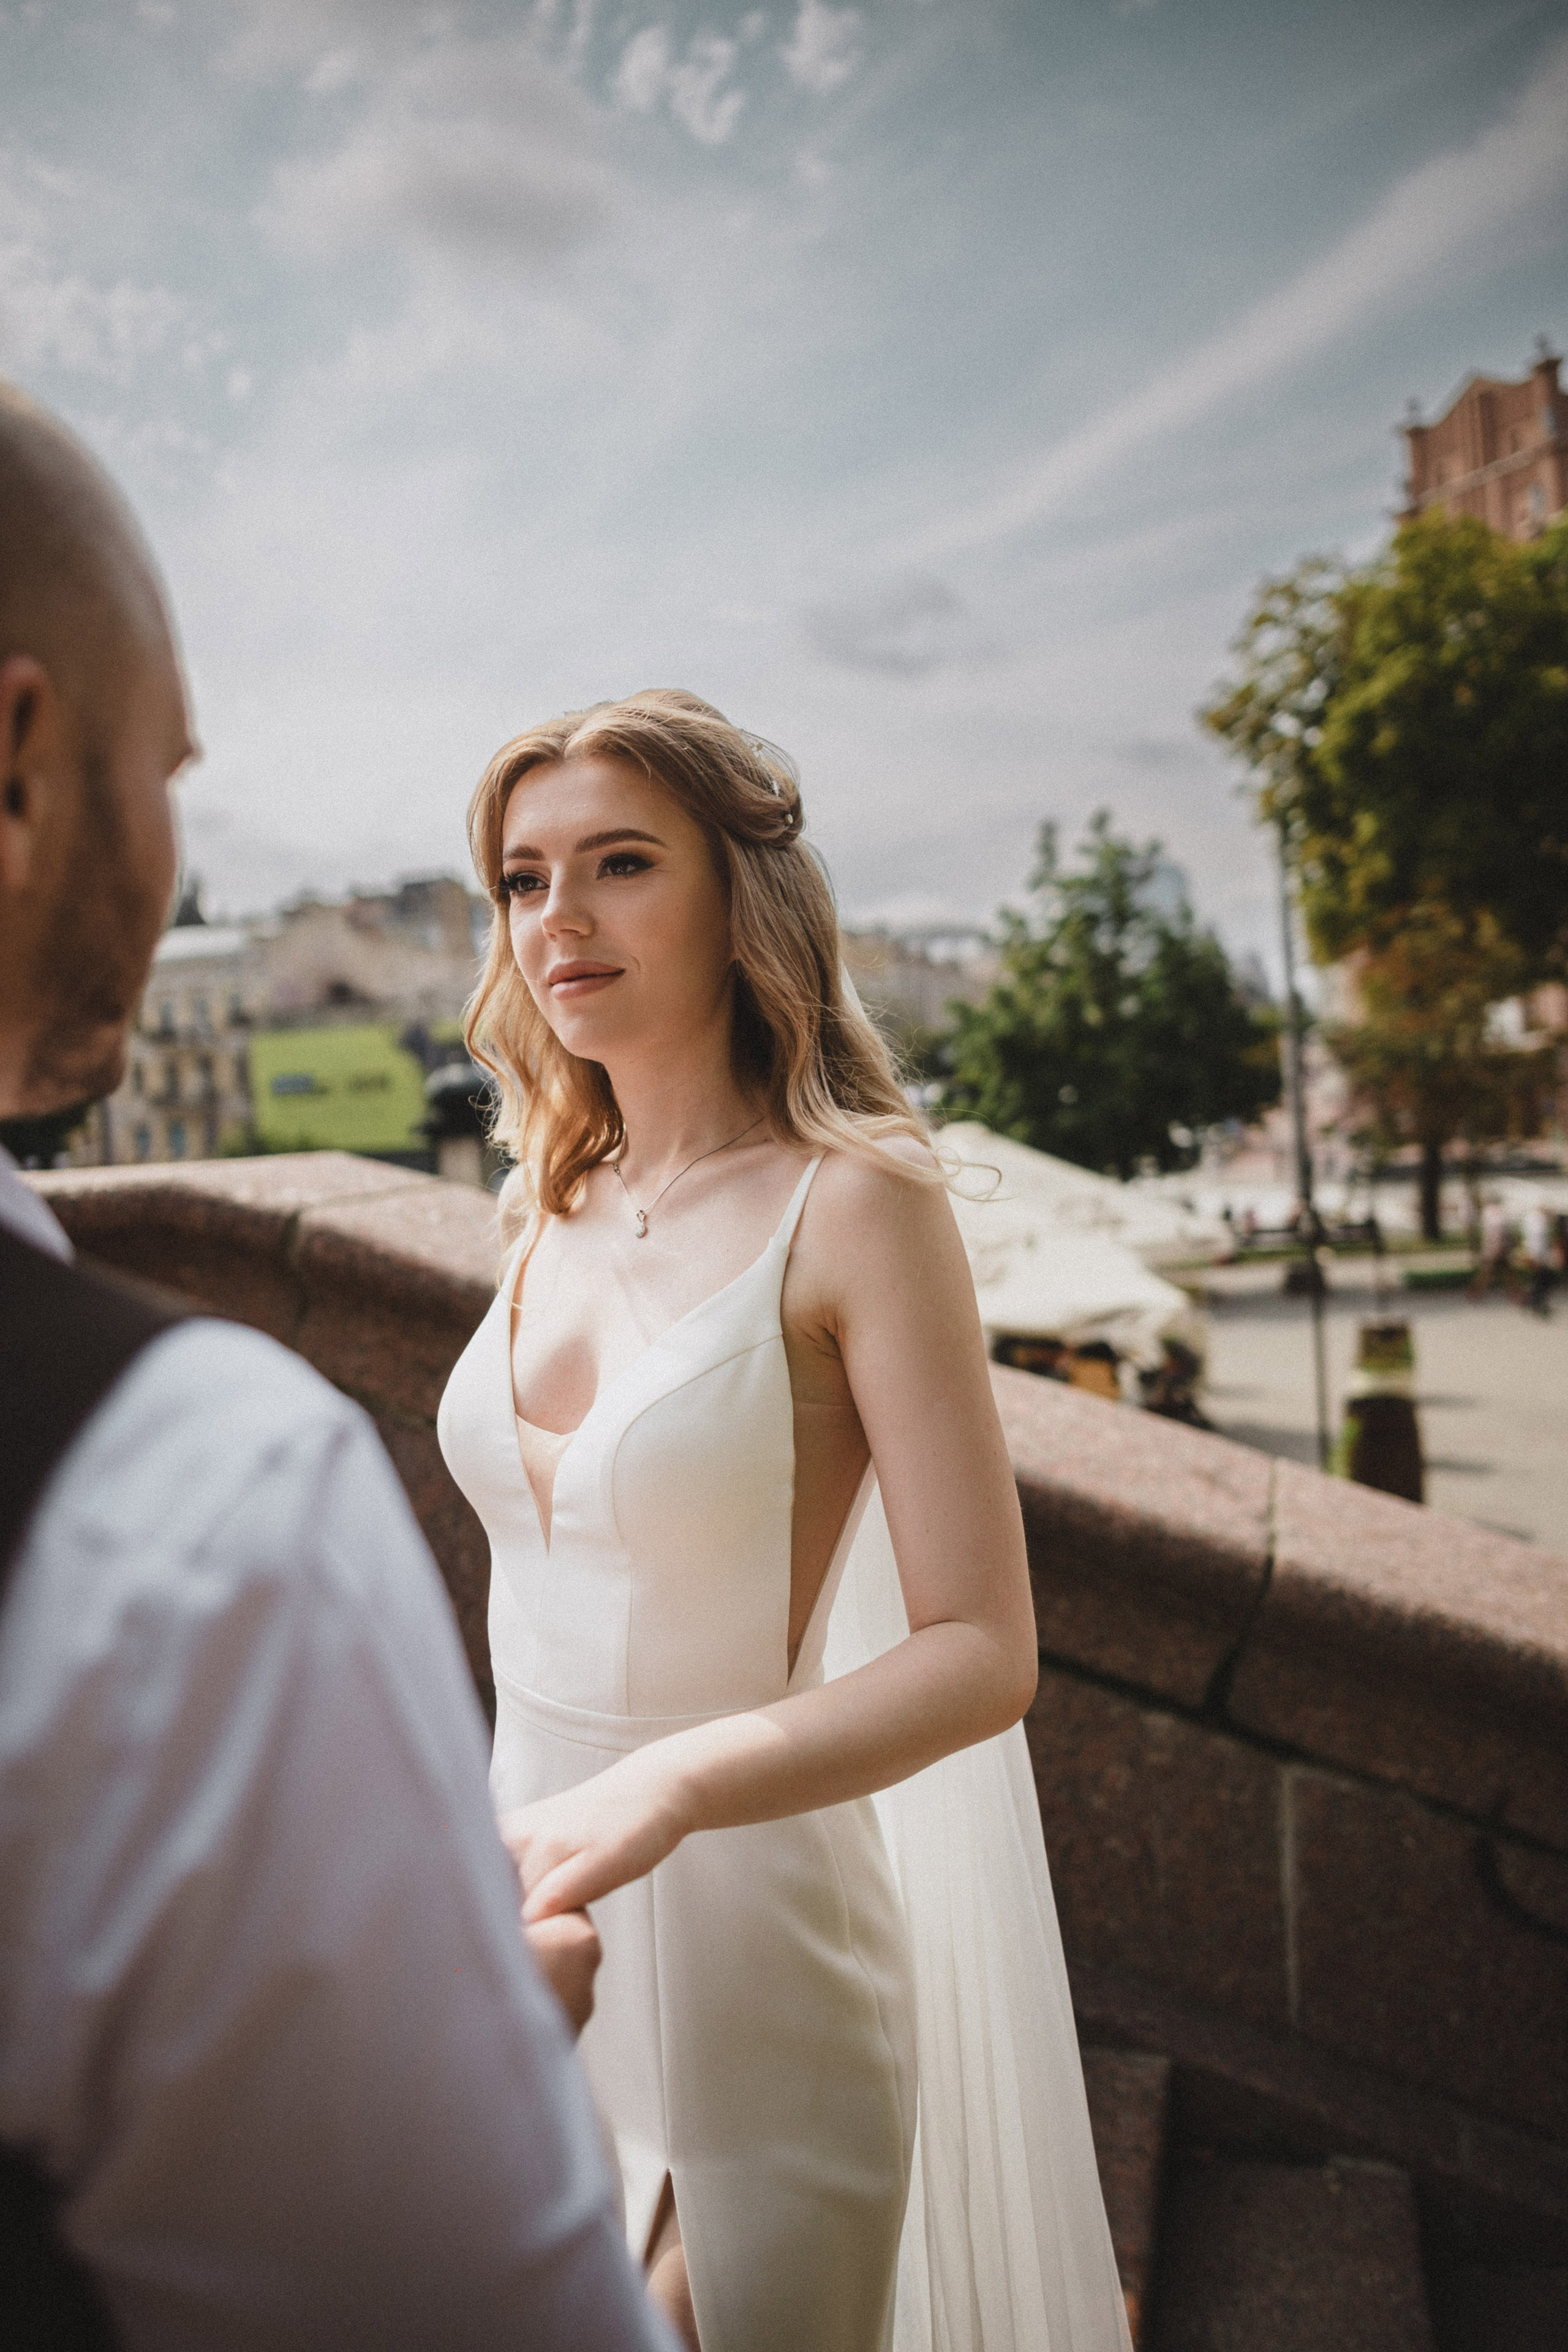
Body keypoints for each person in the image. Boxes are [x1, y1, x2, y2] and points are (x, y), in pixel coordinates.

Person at [0, 381, 674, 2350]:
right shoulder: (187, 1516)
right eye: (164, 767)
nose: (171, 838)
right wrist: (472, 2051)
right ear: (18, 769)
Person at [439, 691, 1132, 2352]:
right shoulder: (543, 1198)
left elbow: (983, 1650)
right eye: (526, 879)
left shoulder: (859, 1199)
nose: (560, 917)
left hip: (756, 1944)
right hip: (529, 1914)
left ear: (737, 896)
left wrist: (671, 1785)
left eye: (620, 863)